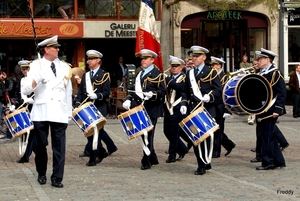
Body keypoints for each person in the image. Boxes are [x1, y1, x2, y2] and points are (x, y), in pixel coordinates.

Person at [21, 35, 73, 188]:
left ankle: (57, 177)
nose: (58, 49)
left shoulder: (65, 67)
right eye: (55, 47)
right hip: (41, 111)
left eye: (58, 47)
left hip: (59, 111)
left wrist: (69, 112)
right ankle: (41, 173)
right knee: (41, 145)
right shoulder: (36, 66)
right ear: (46, 50)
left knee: (59, 147)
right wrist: (36, 78)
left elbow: (68, 91)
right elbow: (25, 89)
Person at [122, 49, 165, 170]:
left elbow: (162, 91)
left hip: (152, 108)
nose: (143, 61)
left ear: (152, 60)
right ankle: (153, 157)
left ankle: (146, 160)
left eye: (146, 59)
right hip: (139, 107)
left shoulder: (157, 73)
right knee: (143, 133)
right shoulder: (139, 72)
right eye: (142, 59)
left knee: (148, 134)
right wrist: (128, 98)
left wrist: (153, 94)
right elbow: (132, 87)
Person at [185, 46, 222, 175]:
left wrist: (210, 97)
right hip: (194, 109)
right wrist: (184, 102)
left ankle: (204, 161)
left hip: (207, 108)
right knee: (196, 138)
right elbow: (185, 91)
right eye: (193, 56)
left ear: (204, 58)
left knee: (205, 137)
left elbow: (218, 90)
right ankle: (202, 162)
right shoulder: (189, 73)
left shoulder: (211, 72)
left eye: (197, 56)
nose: (194, 58)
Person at [74, 50, 111, 166]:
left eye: (92, 59)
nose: (89, 61)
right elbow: (81, 93)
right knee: (89, 133)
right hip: (87, 107)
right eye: (89, 59)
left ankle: (93, 157)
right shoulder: (86, 75)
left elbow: (106, 93)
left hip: (99, 107)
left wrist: (97, 95)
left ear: (98, 61)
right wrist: (77, 103)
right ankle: (102, 151)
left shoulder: (104, 75)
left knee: (97, 133)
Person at [254, 48, 286, 170]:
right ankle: (278, 160)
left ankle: (268, 162)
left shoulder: (275, 73)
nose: (258, 61)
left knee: (267, 136)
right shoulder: (261, 73)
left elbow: (282, 93)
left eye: (261, 58)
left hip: (270, 109)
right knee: (267, 135)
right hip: (262, 109)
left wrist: (277, 110)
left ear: (268, 60)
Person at [163, 56, 188, 163]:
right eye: (172, 66)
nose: (174, 68)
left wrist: (167, 80)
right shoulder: (168, 77)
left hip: (178, 108)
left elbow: (179, 87)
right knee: (166, 131)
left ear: (181, 67)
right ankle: (182, 149)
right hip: (168, 108)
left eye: (176, 66)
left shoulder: (184, 77)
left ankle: (172, 154)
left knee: (174, 132)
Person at [210, 56, 236, 158]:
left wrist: (227, 110)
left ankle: (216, 152)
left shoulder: (224, 77)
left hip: (221, 107)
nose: (212, 67)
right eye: (211, 65)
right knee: (214, 129)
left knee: (218, 130)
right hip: (212, 106)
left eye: (214, 65)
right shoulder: (212, 75)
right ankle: (229, 144)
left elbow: (227, 94)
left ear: (219, 66)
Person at [12, 60, 36, 163]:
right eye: (23, 69)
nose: (25, 71)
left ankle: (26, 156)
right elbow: (19, 94)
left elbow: (39, 94)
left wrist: (32, 100)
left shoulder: (34, 79)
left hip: (33, 108)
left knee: (31, 132)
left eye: (26, 69)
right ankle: (31, 152)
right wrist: (15, 104)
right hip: (24, 108)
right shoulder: (22, 80)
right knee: (26, 133)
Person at [247, 59, 259, 125]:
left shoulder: (260, 71)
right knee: (250, 106)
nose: (255, 66)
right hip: (251, 90)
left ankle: (253, 118)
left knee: (255, 106)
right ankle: (249, 118)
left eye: (256, 64)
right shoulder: (251, 71)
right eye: (254, 64)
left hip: (257, 91)